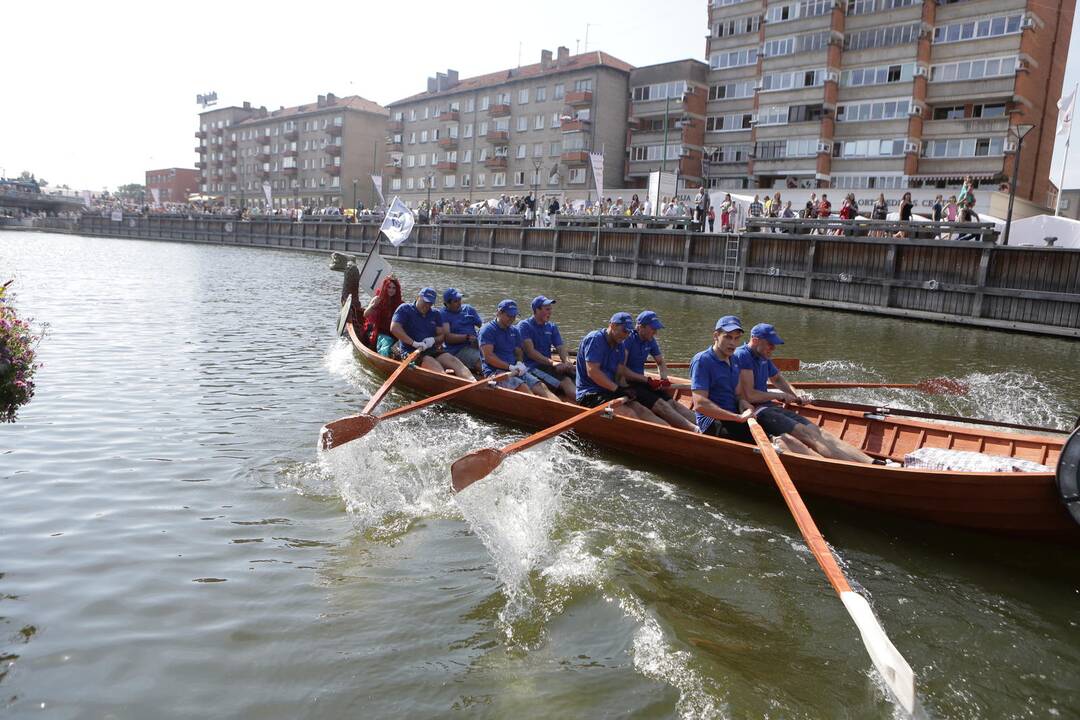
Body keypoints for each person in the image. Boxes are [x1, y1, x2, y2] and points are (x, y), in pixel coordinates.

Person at [734, 323, 874, 463]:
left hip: (769, 407)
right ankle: (854, 468)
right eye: (770, 344)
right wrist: (780, 396)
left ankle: (872, 462)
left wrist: (796, 395)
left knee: (820, 433)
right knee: (808, 434)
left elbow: (777, 379)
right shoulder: (742, 355)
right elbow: (749, 396)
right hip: (757, 412)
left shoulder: (763, 356)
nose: (773, 348)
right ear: (755, 340)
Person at [575, 312, 666, 422]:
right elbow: (593, 372)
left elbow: (620, 369)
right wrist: (618, 389)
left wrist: (631, 386)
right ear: (613, 326)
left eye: (628, 332)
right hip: (589, 396)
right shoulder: (595, 339)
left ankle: (671, 435)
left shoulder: (620, 345)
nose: (626, 335)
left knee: (642, 410)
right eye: (624, 331)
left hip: (609, 392)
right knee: (629, 414)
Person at [619, 311, 698, 430]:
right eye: (653, 328)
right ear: (641, 327)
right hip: (628, 385)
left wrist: (664, 379)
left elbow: (660, 362)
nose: (656, 332)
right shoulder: (628, 339)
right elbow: (622, 370)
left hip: (642, 382)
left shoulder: (650, 340)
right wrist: (648, 380)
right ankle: (696, 431)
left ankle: (709, 426)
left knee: (673, 404)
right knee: (662, 406)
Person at [688, 315, 754, 441]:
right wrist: (737, 418)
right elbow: (700, 404)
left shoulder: (734, 359)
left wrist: (743, 403)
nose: (733, 343)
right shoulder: (702, 360)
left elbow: (738, 394)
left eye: (737, 338)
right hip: (711, 421)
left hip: (733, 417)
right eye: (728, 337)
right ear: (716, 336)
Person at [478, 299, 557, 397]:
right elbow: (489, 357)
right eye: (509, 315)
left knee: (541, 386)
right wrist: (509, 367)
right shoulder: (487, 330)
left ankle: (564, 410)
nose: (512, 319)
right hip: (495, 372)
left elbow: (518, 351)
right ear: (499, 313)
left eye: (514, 316)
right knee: (523, 387)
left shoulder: (514, 330)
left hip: (515, 370)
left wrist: (520, 363)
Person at [390, 287, 473, 378]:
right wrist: (414, 343)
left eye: (430, 303)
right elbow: (394, 328)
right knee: (430, 361)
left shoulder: (435, 314)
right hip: (411, 352)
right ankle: (445, 381)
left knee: (452, 359)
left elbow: (441, 336)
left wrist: (433, 340)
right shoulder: (405, 309)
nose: (427, 306)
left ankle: (472, 382)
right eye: (425, 301)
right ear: (418, 297)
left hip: (431, 350)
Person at [517, 295, 577, 401]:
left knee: (577, 375)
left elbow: (560, 347)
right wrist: (553, 363)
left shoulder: (551, 327)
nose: (550, 312)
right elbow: (531, 353)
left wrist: (567, 362)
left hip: (547, 365)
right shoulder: (524, 326)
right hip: (533, 367)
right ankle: (590, 406)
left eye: (551, 309)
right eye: (547, 309)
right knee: (566, 381)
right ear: (537, 310)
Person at [440, 287, 483, 374]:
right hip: (458, 349)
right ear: (447, 304)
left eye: (459, 299)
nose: (459, 302)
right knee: (481, 361)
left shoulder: (469, 309)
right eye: (455, 301)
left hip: (475, 344)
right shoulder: (443, 314)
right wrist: (467, 337)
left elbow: (482, 326)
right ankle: (496, 381)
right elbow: (447, 337)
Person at [362, 275, 402, 356]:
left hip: (394, 333)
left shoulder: (400, 303)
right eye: (389, 287)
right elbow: (365, 314)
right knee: (386, 346)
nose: (391, 290)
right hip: (380, 332)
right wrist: (373, 306)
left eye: (394, 288)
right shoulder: (377, 299)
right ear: (385, 288)